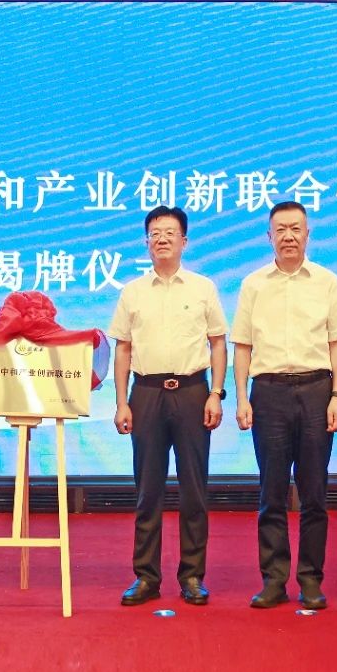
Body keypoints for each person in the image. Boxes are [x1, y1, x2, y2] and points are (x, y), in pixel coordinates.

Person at [232, 200, 337, 610]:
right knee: (273, 491)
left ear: (307, 234)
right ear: (269, 236)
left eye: (296, 228)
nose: (288, 236)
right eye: (280, 229)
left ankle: (311, 580)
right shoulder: (253, 284)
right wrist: (242, 397)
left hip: (317, 389)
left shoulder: (327, 282)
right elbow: (242, 346)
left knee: (315, 492)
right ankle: (274, 580)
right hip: (268, 393)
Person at [109, 206, 227, 607]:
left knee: (194, 489)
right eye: (155, 233)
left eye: (169, 232)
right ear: (146, 242)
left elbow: (218, 343)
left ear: (184, 241)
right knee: (148, 490)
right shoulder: (132, 292)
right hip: (146, 393)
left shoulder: (202, 288)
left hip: (193, 391)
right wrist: (121, 402)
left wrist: (216, 393)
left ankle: (192, 576)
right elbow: (122, 349)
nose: (161, 238)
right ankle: (146, 576)